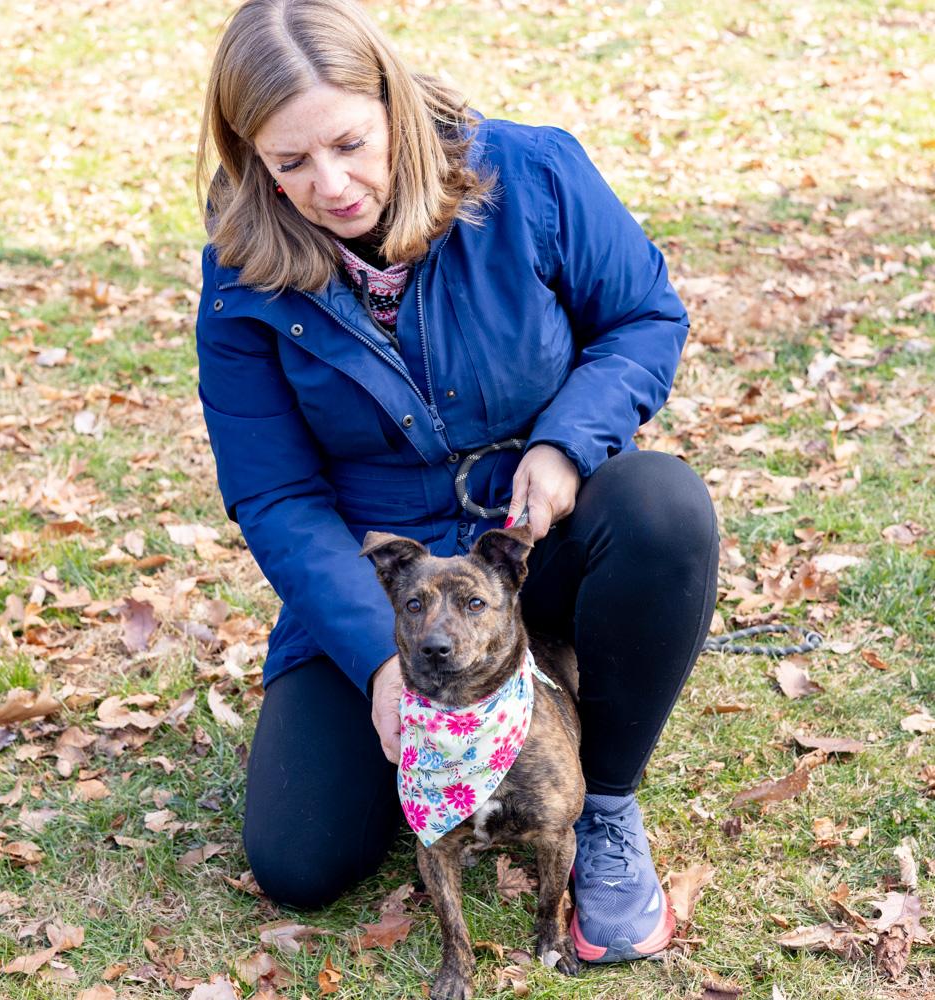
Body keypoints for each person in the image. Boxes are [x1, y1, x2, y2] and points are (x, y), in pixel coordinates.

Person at [195, 0, 718, 964]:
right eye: (290, 162)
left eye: (350, 144)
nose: (331, 185)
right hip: (391, 591)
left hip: (540, 540)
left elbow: (645, 318)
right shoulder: (241, 270)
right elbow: (275, 496)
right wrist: (380, 659)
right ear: (249, 157)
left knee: (662, 508)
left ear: (392, 105)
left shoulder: (530, 173)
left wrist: (565, 445)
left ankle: (603, 803)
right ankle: (468, 738)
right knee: (300, 860)